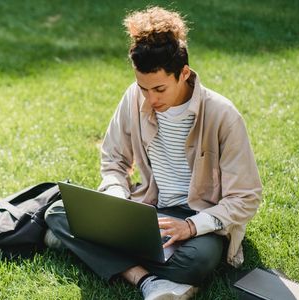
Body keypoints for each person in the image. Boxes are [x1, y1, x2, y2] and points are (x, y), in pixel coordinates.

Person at [43, 6, 262, 300]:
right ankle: (147, 280)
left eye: (159, 89)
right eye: (143, 88)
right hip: (147, 209)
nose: (150, 98)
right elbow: (113, 160)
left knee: (198, 261)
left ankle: (86, 247)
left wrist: (189, 227)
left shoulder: (223, 115)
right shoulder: (133, 97)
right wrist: (117, 200)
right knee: (58, 212)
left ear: (183, 73)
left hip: (198, 218)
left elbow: (246, 197)